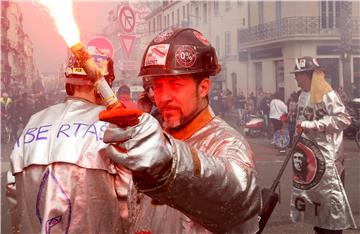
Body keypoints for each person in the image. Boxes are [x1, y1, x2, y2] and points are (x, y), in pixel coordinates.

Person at [99, 27, 261, 234]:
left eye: (175, 85)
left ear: (203, 88)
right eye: (158, 86)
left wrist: (168, 162)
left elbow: (239, 194)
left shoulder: (227, 142)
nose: (163, 97)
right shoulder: (158, 137)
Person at [6, 47, 130, 233]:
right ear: (104, 86)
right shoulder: (111, 126)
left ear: (69, 83)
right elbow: (128, 197)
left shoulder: (34, 122)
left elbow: (13, 190)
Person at [290, 56, 357, 233]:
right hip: (311, 161)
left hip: (329, 163)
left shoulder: (328, 94)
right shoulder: (303, 96)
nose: (295, 79)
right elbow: (301, 122)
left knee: (331, 207)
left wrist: (314, 125)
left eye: (298, 74)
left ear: (307, 74)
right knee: (316, 204)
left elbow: (343, 119)